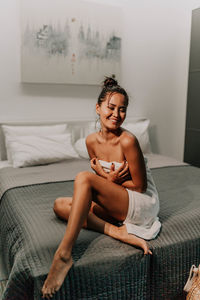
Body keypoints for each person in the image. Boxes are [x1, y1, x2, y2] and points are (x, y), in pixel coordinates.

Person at [42, 77, 161, 299]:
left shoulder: (128, 141)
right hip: (119, 202)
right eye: (111, 107)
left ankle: (64, 254)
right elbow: (103, 186)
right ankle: (117, 231)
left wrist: (109, 178)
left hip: (141, 202)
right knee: (60, 205)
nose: (116, 114)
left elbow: (139, 185)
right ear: (98, 108)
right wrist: (108, 178)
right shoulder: (91, 142)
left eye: (122, 109)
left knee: (83, 179)